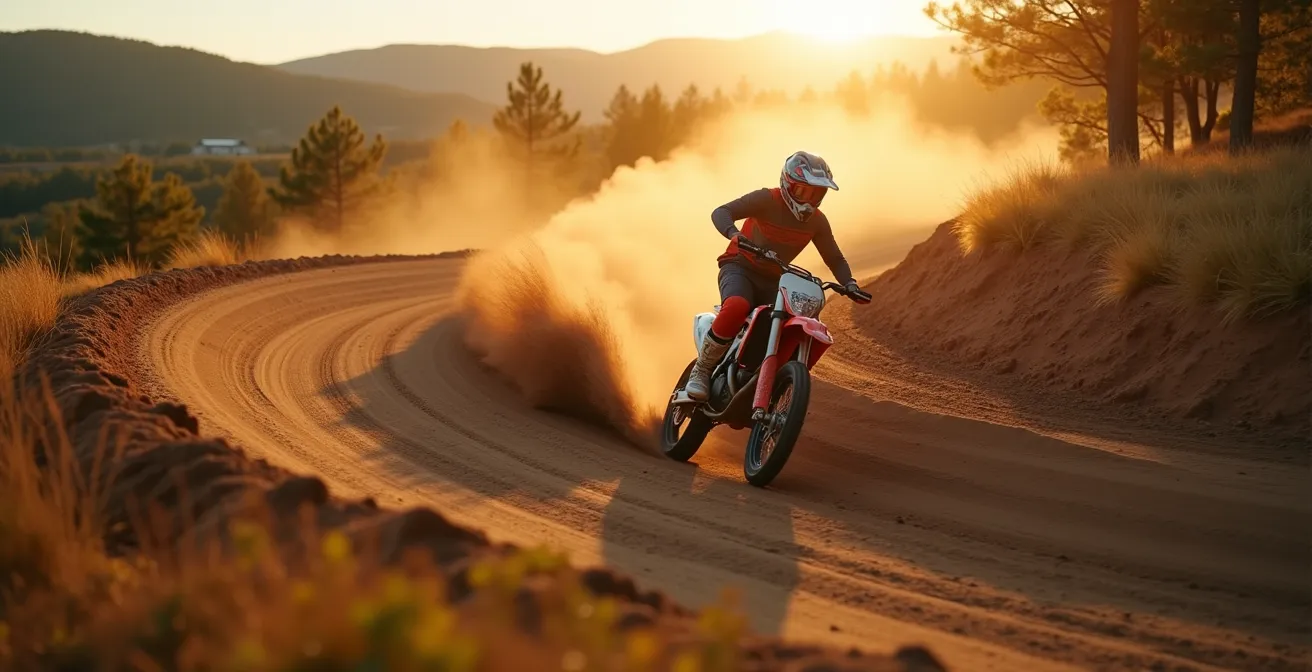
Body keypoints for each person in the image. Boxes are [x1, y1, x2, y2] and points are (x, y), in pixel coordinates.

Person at [685, 150, 870, 402]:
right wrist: (733, 233)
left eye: (817, 194)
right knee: (738, 305)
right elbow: (721, 211)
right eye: (804, 191)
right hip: (739, 266)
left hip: (776, 279)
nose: (809, 200)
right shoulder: (766, 199)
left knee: (791, 319)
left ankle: (765, 378)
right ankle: (702, 370)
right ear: (787, 184)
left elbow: (834, 257)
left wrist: (849, 283)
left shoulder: (817, 221)